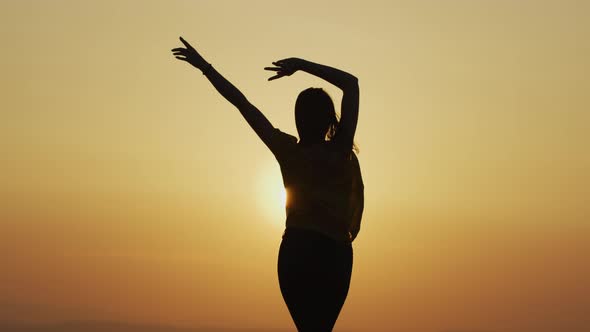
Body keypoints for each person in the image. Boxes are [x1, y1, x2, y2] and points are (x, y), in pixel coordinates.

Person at [172, 36, 364, 331]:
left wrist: (205, 67)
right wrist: (301, 64)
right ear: (329, 121)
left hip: (297, 252)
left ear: (299, 119)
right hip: (332, 255)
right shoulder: (338, 152)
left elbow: (242, 103)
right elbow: (351, 84)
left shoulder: (288, 151)